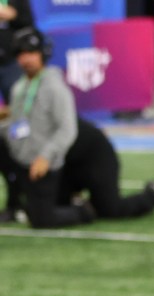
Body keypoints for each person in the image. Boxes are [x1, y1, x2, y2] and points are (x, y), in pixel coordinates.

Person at [0, 28, 93, 228]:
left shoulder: (56, 87)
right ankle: (14, 203)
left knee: (42, 220)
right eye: (21, 54)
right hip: (22, 160)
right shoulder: (19, 87)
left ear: (42, 54)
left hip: (44, 164)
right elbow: (17, 122)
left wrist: (45, 157)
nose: (26, 59)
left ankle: (83, 210)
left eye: (31, 53)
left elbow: (67, 129)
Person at [58, 117, 154, 220]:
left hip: (97, 158)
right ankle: (81, 204)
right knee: (54, 203)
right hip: (71, 161)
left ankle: (151, 197)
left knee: (110, 209)